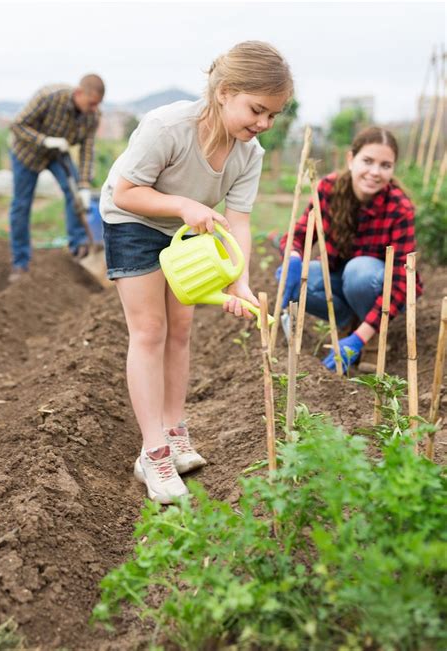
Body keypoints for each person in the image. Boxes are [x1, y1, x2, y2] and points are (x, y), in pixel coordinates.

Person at [100, 41, 293, 503]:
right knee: (149, 330)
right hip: (135, 220)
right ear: (225, 91)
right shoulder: (167, 127)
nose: (264, 124)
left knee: (180, 328)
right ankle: (154, 452)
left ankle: (175, 428)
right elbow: (126, 192)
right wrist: (183, 204)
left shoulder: (251, 154)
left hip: (187, 232)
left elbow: (239, 221)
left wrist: (238, 279)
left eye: (273, 115)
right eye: (257, 109)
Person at [276, 126, 422, 372]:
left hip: (375, 287)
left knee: (359, 272)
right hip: (339, 279)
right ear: (350, 159)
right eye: (367, 161)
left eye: (385, 165)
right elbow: (300, 235)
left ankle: (371, 337)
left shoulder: (399, 208)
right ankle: (346, 323)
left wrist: (360, 338)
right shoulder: (327, 190)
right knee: (296, 276)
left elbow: (401, 282)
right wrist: (292, 258)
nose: (375, 172)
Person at [8, 74, 105, 281]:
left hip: (57, 155)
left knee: (75, 196)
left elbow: (87, 150)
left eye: (97, 105)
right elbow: (17, 125)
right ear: (79, 93)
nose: (93, 109)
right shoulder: (49, 96)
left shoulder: (92, 116)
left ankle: (78, 247)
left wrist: (85, 185)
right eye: (91, 103)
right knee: (21, 205)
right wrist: (44, 140)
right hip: (26, 153)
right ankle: (20, 263)